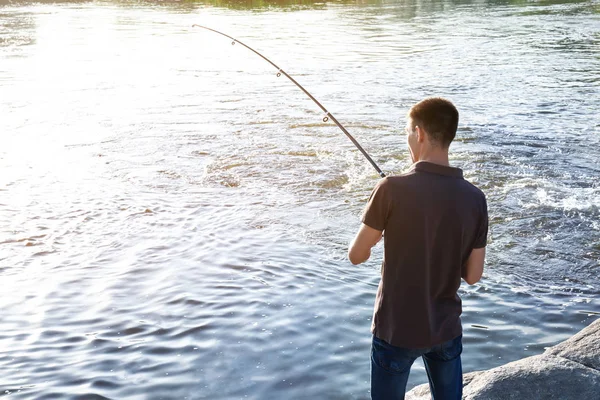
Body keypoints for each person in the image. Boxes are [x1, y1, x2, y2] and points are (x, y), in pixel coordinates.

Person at [348, 97, 488, 400]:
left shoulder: (390, 189)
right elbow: (473, 275)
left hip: (395, 331)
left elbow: (356, 255)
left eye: (408, 133)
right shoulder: (475, 198)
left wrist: (384, 233)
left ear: (420, 133)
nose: (408, 140)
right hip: (446, 330)